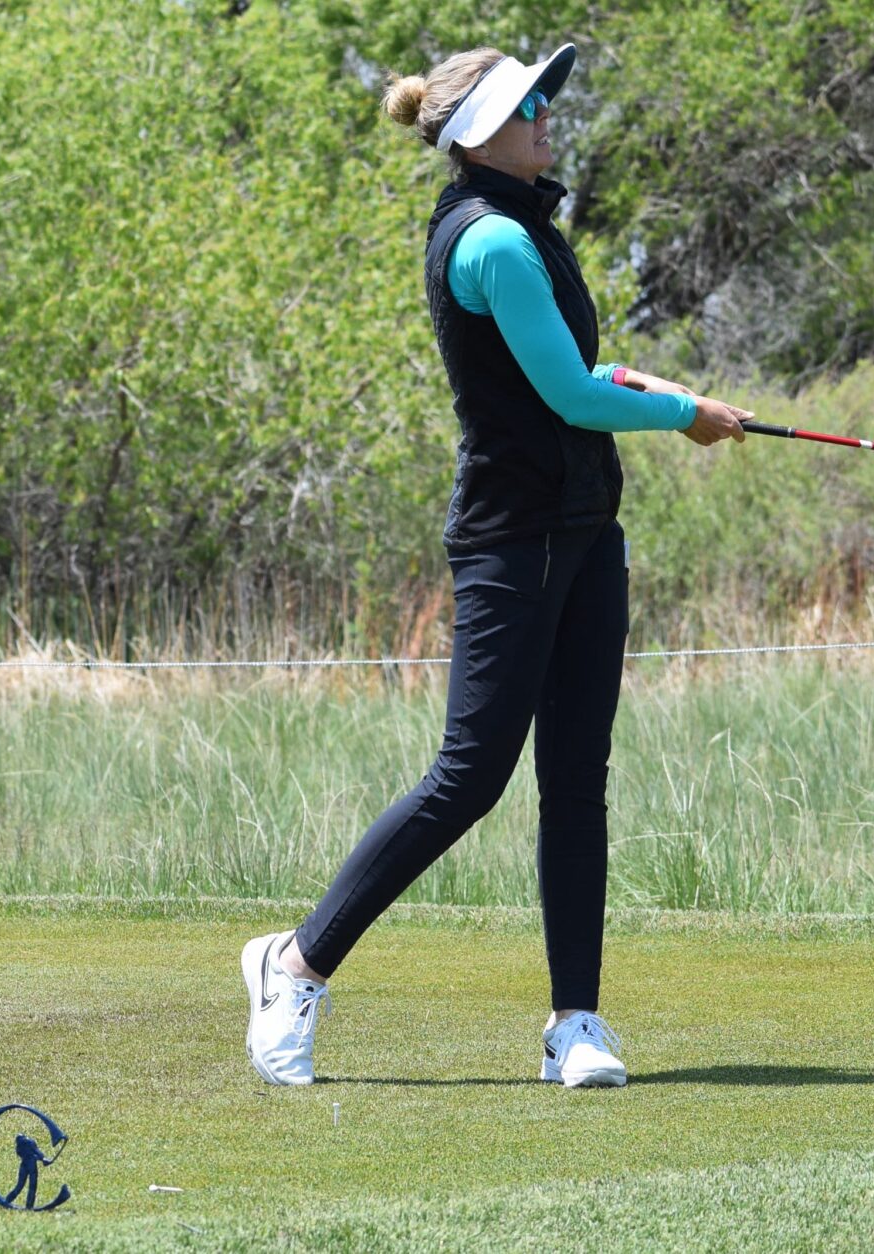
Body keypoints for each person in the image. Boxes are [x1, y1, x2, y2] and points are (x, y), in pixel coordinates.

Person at [242, 41, 750, 1088]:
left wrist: (635, 381)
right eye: (528, 106)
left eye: (543, 101)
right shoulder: (493, 240)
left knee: (576, 781)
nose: (547, 114)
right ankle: (293, 965)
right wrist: (683, 414)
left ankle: (577, 1024)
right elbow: (566, 399)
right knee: (468, 778)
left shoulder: (527, 228)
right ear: (479, 134)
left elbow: (568, 376)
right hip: (512, 539)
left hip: (585, 530)